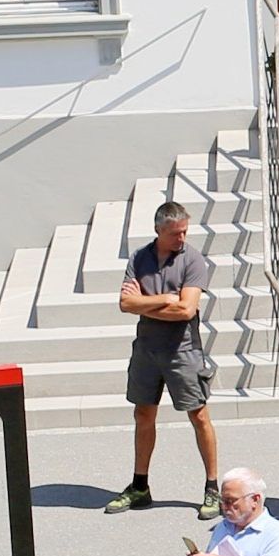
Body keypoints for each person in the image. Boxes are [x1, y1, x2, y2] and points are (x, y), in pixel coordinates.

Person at [108, 198, 218, 517]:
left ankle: (212, 488)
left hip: (183, 351)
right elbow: (124, 304)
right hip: (146, 350)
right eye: (175, 233)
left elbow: (186, 309)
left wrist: (145, 303)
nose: (182, 238)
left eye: (184, 231)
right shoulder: (140, 258)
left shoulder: (193, 260)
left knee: (198, 416)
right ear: (159, 230)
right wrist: (162, 299)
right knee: (144, 414)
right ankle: (140, 486)